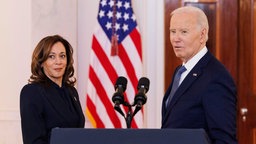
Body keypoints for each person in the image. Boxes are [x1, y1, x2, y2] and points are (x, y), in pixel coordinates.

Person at [161, 6, 238, 144]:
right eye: (173, 31)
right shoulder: (180, 72)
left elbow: (224, 140)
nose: (175, 38)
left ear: (202, 35)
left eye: (184, 32)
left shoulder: (216, 77)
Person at [20, 35, 85, 144]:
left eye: (62, 56)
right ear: (41, 62)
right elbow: (33, 141)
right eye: (51, 56)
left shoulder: (71, 92)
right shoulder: (31, 92)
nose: (58, 62)